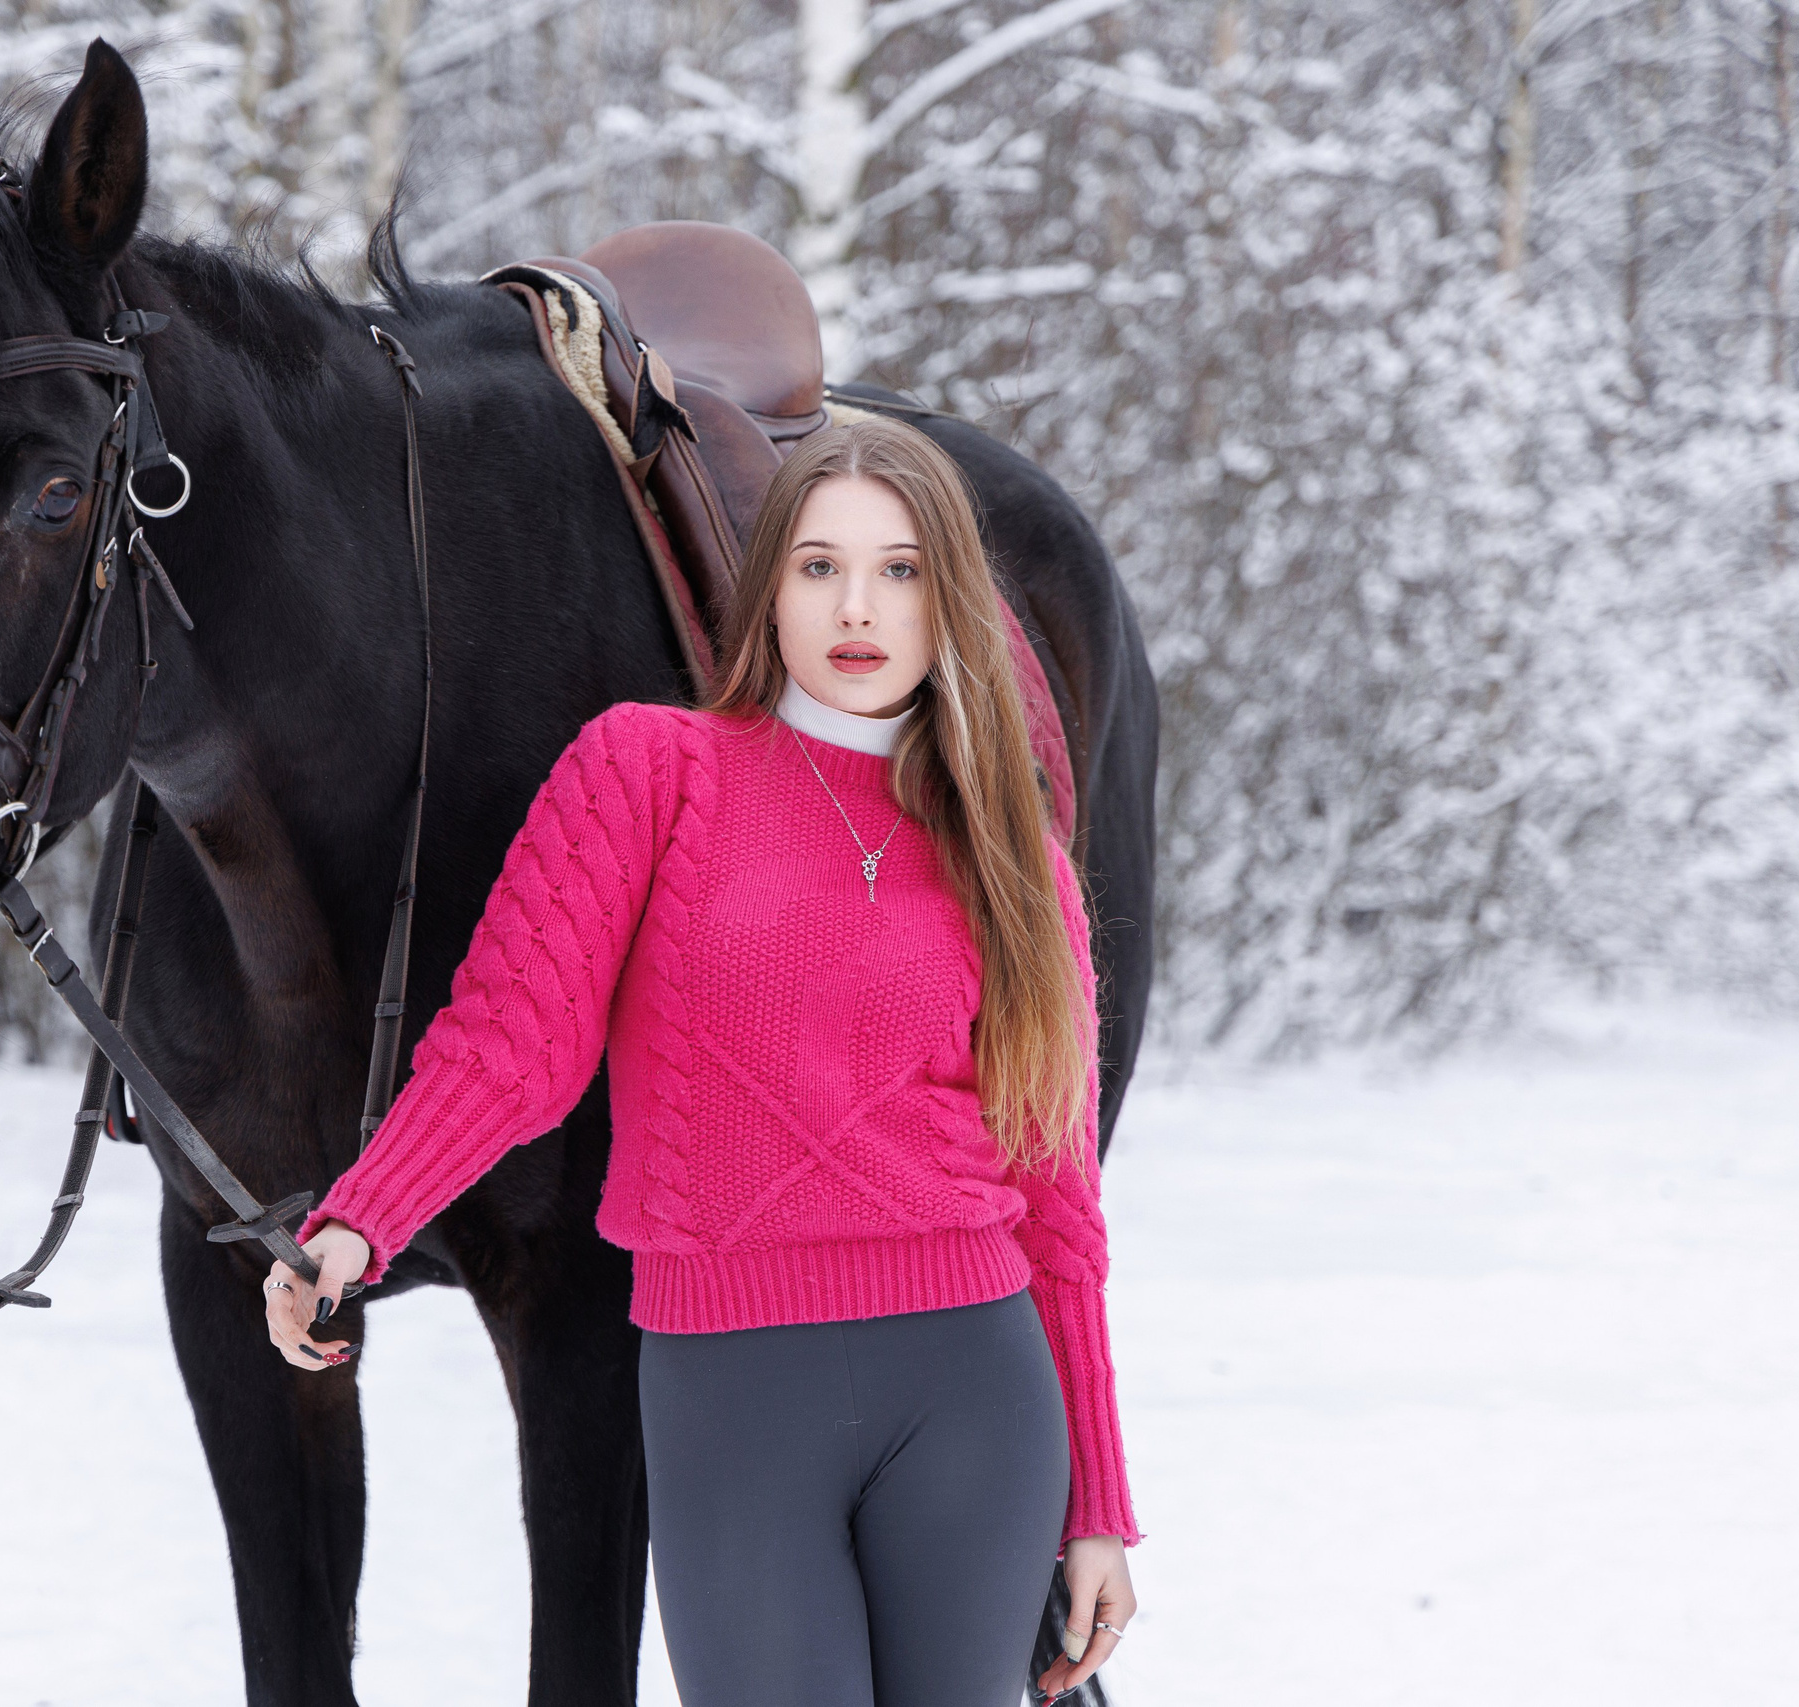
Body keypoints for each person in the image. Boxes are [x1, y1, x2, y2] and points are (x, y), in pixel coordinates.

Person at [258, 416, 1139, 1706]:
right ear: (765, 588)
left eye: (899, 572)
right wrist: (362, 1220)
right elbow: (515, 1034)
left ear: (950, 604)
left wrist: (1099, 1504)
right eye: (819, 566)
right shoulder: (653, 769)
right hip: (733, 1393)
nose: (857, 607)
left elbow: (1060, 1203)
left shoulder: (1013, 852)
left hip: (973, 1389)